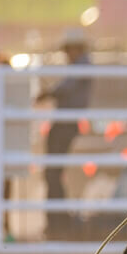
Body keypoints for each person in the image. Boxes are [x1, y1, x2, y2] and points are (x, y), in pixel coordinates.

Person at [37, 27, 93, 239]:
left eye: (68, 50)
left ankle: (57, 223)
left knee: (52, 172)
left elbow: (66, 87)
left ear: (75, 49)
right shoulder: (81, 65)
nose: (66, 54)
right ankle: (58, 222)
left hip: (66, 124)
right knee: (53, 172)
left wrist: (48, 92)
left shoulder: (82, 65)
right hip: (66, 123)